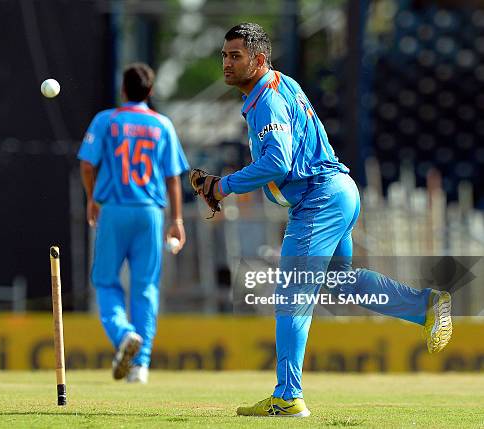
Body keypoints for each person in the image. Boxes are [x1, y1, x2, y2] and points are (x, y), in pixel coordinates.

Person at [192, 22, 452, 417]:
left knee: (292, 294)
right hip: (339, 191)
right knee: (341, 283)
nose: (226, 64)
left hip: (319, 199)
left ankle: (287, 396)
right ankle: (426, 306)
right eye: (225, 55)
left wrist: (223, 186)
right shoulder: (281, 84)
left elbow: (277, 161)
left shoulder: (268, 100)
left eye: (235, 56)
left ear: (259, 60)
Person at [78, 63, 189, 384]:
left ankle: (123, 334)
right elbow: (173, 178)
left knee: (106, 281)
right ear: (150, 92)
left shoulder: (107, 120)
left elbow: (87, 164)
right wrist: (177, 221)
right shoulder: (162, 124)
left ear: (123, 89)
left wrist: (92, 197)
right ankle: (140, 365)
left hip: (114, 208)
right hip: (151, 213)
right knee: (145, 288)